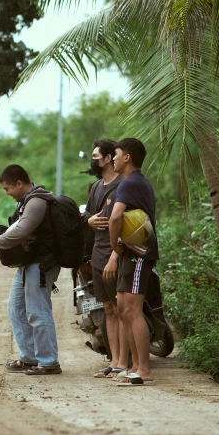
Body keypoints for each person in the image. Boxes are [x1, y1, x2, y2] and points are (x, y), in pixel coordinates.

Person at [0, 165, 62, 375]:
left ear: (19, 183)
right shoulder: (26, 201)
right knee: (16, 308)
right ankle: (29, 358)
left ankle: (48, 361)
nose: (7, 193)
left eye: (7, 188)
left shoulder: (37, 201)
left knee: (38, 310)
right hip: (30, 263)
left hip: (42, 264)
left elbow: (20, 231)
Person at [108, 138, 159, 386]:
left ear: (126, 157)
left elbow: (115, 217)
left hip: (138, 254)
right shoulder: (138, 182)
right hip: (132, 254)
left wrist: (113, 244)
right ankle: (135, 367)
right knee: (123, 309)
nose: (113, 158)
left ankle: (145, 370)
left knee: (133, 311)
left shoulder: (128, 184)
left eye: (116, 154)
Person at [82, 139, 131, 379]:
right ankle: (114, 362)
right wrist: (88, 220)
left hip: (115, 256)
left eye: (96, 156)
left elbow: (126, 227)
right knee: (109, 309)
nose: (93, 160)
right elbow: (88, 214)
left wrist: (115, 256)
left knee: (121, 309)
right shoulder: (98, 187)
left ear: (110, 157)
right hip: (97, 254)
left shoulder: (123, 186)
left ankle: (123, 363)